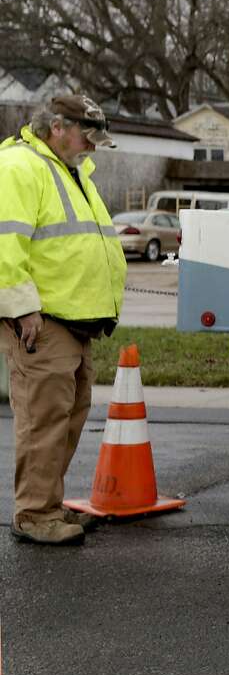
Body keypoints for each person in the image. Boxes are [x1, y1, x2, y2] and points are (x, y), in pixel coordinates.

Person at [1, 95, 126, 545]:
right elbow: (5, 245)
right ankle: (35, 515)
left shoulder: (68, 170)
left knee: (66, 418)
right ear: (57, 127)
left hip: (71, 322)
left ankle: (47, 507)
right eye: (87, 137)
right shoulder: (20, 167)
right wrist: (21, 309)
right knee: (43, 420)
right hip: (42, 322)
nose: (92, 148)